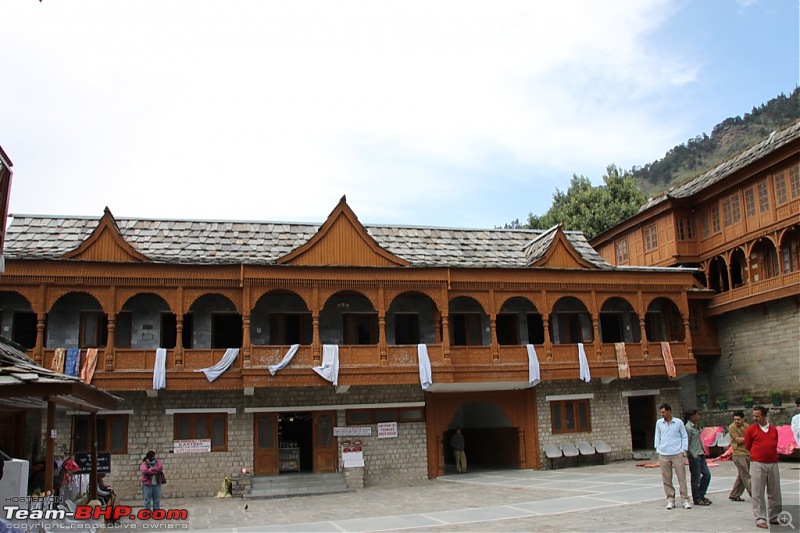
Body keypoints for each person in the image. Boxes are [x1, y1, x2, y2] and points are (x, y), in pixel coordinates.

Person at [744, 406, 782, 529]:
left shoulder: (773, 430)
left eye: (757, 416)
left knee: (775, 491)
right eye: (753, 416)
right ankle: (760, 517)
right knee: (758, 491)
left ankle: (775, 516)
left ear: (764, 416)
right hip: (758, 463)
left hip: (773, 462)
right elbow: (748, 445)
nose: (755, 418)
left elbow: (775, 442)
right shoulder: (751, 430)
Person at [654, 402, 691, 509]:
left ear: (669, 411)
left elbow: (684, 436)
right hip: (664, 453)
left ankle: (685, 499)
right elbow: (657, 436)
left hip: (677, 453)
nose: (662, 415)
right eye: (661, 413)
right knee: (666, 478)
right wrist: (658, 448)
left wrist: (683, 449)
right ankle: (670, 499)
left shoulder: (678, 422)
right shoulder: (659, 423)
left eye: (664, 412)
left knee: (681, 477)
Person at [684, 409, 712, 506]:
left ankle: (701, 494)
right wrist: (693, 454)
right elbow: (687, 443)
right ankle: (697, 498)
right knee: (696, 478)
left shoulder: (695, 427)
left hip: (701, 454)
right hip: (694, 455)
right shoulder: (688, 428)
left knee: (707, 475)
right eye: (697, 415)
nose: (698, 417)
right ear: (692, 416)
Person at [727, 410, 752, 502]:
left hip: (747, 453)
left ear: (743, 419)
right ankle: (755, 494)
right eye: (735, 419)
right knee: (746, 475)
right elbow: (738, 440)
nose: (736, 421)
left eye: (738, 419)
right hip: (738, 454)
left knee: (742, 475)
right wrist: (748, 438)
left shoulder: (746, 426)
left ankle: (734, 494)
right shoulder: (732, 427)